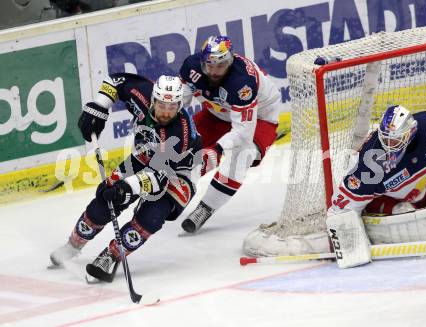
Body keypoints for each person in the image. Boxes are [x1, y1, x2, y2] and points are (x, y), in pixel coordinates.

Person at [50, 73, 202, 281]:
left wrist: (126, 188)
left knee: (150, 217)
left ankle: (111, 256)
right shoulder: (142, 94)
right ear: (153, 100)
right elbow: (115, 81)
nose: (166, 113)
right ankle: (73, 245)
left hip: (179, 174)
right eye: (162, 106)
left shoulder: (180, 135)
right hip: (142, 155)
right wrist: (100, 106)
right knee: (103, 203)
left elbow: (158, 178)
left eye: (172, 107)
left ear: (179, 105)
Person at [179, 35, 282, 233]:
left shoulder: (242, 82)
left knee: (242, 156)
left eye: (220, 65)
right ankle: (178, 187)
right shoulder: (191, 66)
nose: (213, 71)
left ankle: (206, 207)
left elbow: (242, 133)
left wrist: (218, 148)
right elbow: (179, 103)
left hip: (260, 118)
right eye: (209, 65)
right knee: (183, 144)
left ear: (230, 61)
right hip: (216, 113)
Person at [326, 105, 426, 268]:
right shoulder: (371, 162)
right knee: (402, 209)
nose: (389, 145)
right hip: (392, 202)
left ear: (411, 132)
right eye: (385, 138)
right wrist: (349, 246)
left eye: (394, 139)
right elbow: (340, 208)